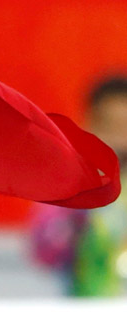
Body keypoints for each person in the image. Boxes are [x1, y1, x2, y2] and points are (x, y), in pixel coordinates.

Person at [30, 76, 127, 296]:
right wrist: (82, 204)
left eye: (126, 126)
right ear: (89, 123)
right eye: (110, 126)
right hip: (83, 307)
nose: (120, 137)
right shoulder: (68, 184)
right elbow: (44, 252)